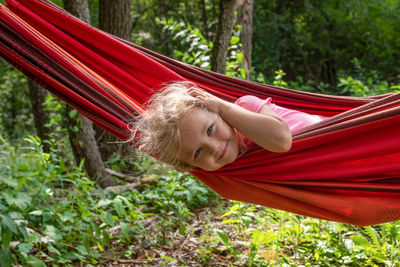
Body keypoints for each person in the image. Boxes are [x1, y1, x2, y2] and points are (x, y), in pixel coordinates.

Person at [133, 81, 325, 171]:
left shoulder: (246, 106)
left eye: (210, 130)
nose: (215, 147)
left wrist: (222, 106)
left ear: (219, 114)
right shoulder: (231, 171)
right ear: (190, 165)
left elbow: (282, 141)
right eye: (198, 153)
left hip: (337, 139)